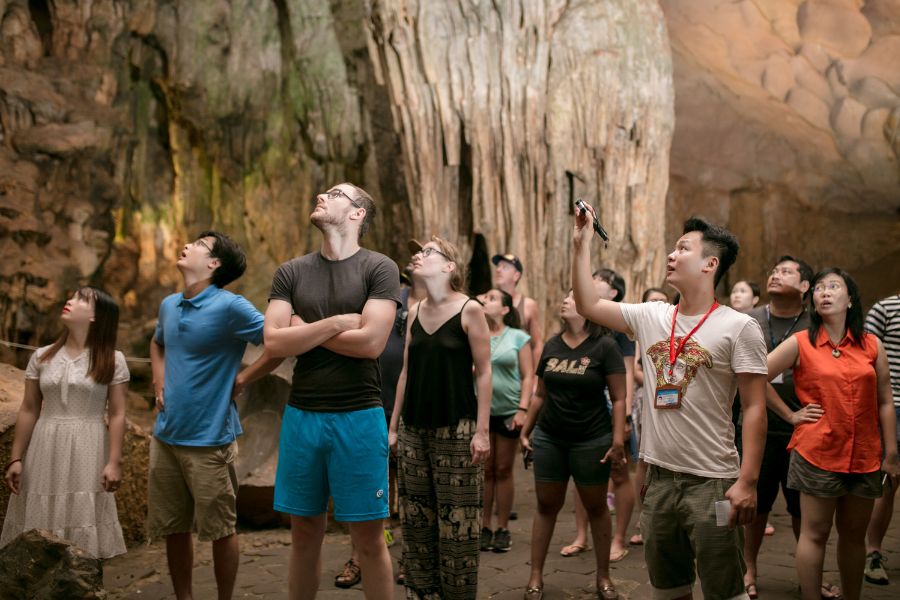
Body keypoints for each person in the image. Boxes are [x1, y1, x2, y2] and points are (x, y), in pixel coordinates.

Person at [571, 210, 769, 600]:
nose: (671, 255)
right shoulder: (651, 316)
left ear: (710, 264)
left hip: (713, 482)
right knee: (668, 588)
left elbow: (755, 408)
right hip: (659, 481)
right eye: (673, 248)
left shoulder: (739, 327)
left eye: (683, 248)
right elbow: (588, 305)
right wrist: (581, 244)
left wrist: (747, 481)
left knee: (724, 588)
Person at [265, 183, 400, 600]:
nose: (321, 195)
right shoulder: (291, 271)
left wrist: (303, 330)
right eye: (320, 192)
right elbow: (273, 341)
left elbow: (372, 344)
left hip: (359, 415)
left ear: (357, 213)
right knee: (304, 533)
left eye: (335, 194)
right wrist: (339, 323)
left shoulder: (379, 268)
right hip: (303, 414)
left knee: (368, 538)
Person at [149, 231, 283, 600]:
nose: (187, 245)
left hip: (210, 438)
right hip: (165, 436)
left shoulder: (231, 307)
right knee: (174, 527)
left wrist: (243, 377)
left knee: (221, 529)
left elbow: (277, 343)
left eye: (199, 245)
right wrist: (158, 379)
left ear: (214, 264)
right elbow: (157, 341)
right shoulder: (169, 304)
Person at [767, 268, 900, 600]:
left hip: (865, 454)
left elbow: (885, 400)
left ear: (850, 299)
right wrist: (791, 414)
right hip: (818, 452)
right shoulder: (801, 343)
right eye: (819, 288)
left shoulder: (871, 345)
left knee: (854, 536)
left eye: (834, 287)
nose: (824, 292)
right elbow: (755, 374)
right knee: (815, 533)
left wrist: (891, 451)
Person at [389, 236, 492, 600]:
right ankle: (421, 595)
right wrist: (393, 427)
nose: (417, 254)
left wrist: (482, 432)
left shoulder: (469, 309)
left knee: (458, 523)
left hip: (457, 428)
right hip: (414, 428)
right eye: (418, 250)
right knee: (415, 521)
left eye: (428, 251)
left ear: (450, 267)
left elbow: (483, 372)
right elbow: (405, 371)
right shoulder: (413, 311)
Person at [1, 288, 128, 559]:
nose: (69, 301)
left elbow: (117, 413)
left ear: (96, 316)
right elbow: (29, 408)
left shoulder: (113, 359)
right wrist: (15, 458)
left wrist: (114, 461)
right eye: (70, 296)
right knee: (40, 521)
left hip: (89, 445)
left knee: (82, 517)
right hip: (45, 445)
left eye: (81, 299)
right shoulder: (42, 356)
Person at [520, 290, 627, 600]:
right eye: (564, 297)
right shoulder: (552, 345)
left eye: (572, 297)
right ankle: (536, 576)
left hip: (591, 438)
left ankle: (603, 577)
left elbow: (619, 398)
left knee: (596, 507)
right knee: (545, 505)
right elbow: (540, 394)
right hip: (551, 437)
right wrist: (527, 429)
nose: (564, 301)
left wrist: (618, 440)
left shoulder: (605, 347)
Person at [741, 256, 837, 599]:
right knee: (755, 505)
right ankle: (748, 571)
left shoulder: (816, 324)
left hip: (806, 429)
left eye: (786, 272)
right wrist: (786, 414)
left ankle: (809, 575)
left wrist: (798, 417)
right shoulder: (750, 320)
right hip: (758, 427)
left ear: (804, 286)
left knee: (804, 509)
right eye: (773, 271)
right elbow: (749, 375)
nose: (775, 275)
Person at [334, 263, 421, 589]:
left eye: (424, 255)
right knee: (368, 483)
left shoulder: (444, 305)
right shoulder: (390, 298)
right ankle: (358, 557)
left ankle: (411, 559)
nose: (415, 262)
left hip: (415, 407)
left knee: (414, 488)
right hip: (373, 401)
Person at [560, 269, 636, 564]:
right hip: (585, 408)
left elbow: (628, 370)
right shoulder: (581, 321)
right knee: (582, 472)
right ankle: (581, 536)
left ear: (614, 292)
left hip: (613, 406)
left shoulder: (621, 324)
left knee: (618, 472)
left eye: (598, 279)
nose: (589, 282)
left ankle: (618, 538)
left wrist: (626, 413)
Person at [478, 288, 533, 553]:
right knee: (485, 469)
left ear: (505, 309)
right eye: (485, 297)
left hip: (510, 410)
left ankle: (503, 528)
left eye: (492, 298)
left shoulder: (518, 337)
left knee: (503, 469)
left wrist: (523, 409)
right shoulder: (474, 334)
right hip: (482, 412)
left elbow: (528, 376)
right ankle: (484, 526)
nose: (485, 301)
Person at [628, 287, 670, 548]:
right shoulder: (639, 331)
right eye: (653, 301)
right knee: (645, 457)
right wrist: (656, 385)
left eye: (663, 302)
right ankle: (644, 516)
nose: (658, 305)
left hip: (677, 398)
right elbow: (634, 368)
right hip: (649, 397)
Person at [864, 291, 900, 586]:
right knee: (888, 480)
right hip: (894, 406)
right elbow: (864, 355)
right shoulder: (885, 308)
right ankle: (872, 552)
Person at [493, 253, 544, 367]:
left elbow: (537, 345)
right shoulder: (485, 302)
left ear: (516, 275)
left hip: (520, 376)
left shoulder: (528, 305)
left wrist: (535, 379)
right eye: (498, 266)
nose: (498, 270)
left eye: (504, 267)